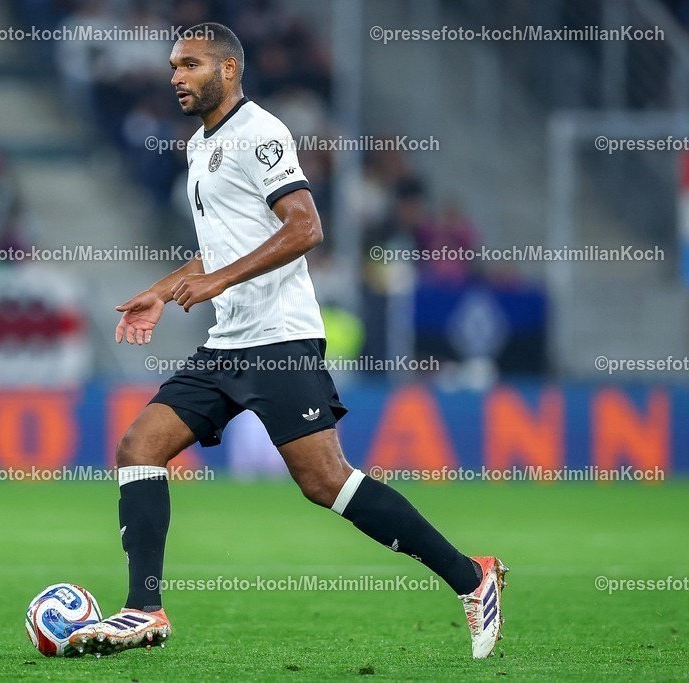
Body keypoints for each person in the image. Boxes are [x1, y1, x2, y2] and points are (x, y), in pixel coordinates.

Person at [70, 23, 508, 660]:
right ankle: (144, 608)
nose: (175, 77)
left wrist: (218, 278)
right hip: (227, 344)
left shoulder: (262, 133)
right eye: (172, 65)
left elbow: (305, 226)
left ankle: (473, 578)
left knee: (325, 482)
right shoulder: (199, 146)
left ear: (228, 71)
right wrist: (162, 291)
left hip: (279, 341)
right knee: (139, 446)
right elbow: (218, 249)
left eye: (189, 64)